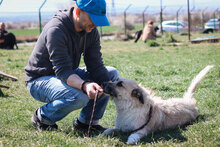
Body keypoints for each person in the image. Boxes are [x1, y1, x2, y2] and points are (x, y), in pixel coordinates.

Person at [25, 0, 120, 131]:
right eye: (93, 19)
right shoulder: (56, 29)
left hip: (66, 74)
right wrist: (85, 85)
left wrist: (109, 85)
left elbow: (95, 65)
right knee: (78, 96)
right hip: (39, 80)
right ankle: (42, 117)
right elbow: (63, 71)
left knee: (111, 75)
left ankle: (86, 123)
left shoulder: (91, 30)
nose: (96, 24)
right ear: (77, 12)